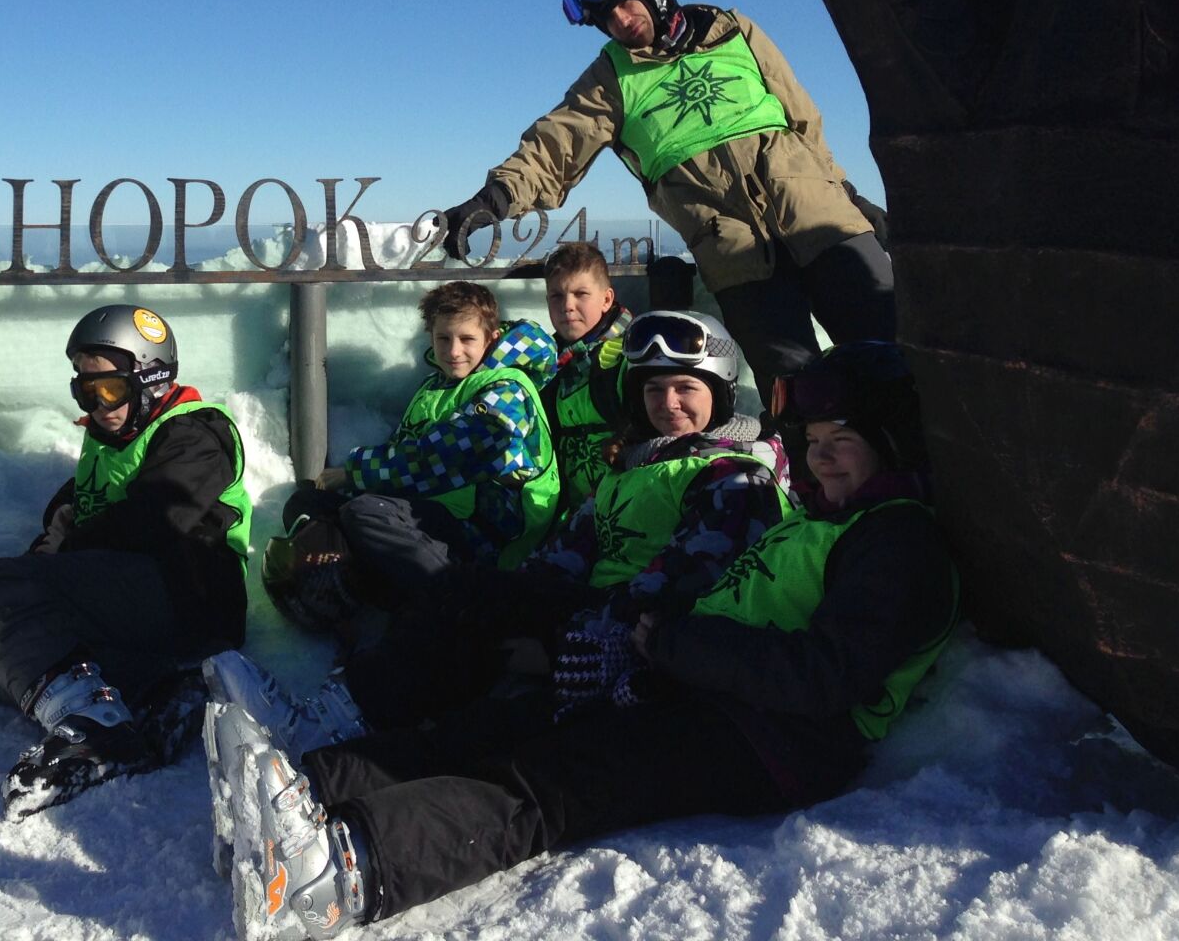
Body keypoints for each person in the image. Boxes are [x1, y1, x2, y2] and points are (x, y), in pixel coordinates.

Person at [209, 341, 957, 938]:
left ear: (891, 444)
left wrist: (665, 644)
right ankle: (310, 787)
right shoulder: (827, 521)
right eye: (815, 440)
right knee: (500, 726)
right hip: (698, 687)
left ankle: (339, 873)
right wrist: (650, 653)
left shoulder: (898, 541)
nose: (821, 455)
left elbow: (825, 676)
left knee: (549, 782)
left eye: (842, 440)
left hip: (772, 739)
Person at [205, 309, 790, 820]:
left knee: (479, 698)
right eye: (653, 390)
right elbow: (567, 552)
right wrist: (507, 606)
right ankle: (325, 740)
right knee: (463, 615)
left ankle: (321, 763)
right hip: (587, 614)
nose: (668, 404)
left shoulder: (733, 478)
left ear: (721, 393)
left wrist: (558, 647)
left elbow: (678, 585)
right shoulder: (636, 466)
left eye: (686, 388)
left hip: (626, 638)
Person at [442, 0, 894, 396]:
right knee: (793, 392)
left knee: (894, 358)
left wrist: (847, 195)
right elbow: (553, 148)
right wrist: (492, 200)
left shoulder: (733, 31)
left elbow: (803, 122)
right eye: (606, 18)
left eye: (624, 3)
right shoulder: (610, 79)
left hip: (822, 216)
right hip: (734, 252)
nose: (620, 21)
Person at [0, 304, 253, 820]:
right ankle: (159, 694)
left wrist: (43, 575)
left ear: (151, 379)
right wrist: (46, 563)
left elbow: (155, 519)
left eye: (110, 390)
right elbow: (74, 511)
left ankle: (98, 729)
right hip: (130, 597)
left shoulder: (196, 434)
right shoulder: (109, 439)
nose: (98, 406)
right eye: (85, 392)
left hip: (190, 592)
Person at [269, 281, 559, 627]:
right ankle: (362, 596)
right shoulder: (437, 388)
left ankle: (459, 603)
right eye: (443, 338)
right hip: (433, 510)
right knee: (307, 503)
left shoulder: (505, 392)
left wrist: (357, 473)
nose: (454, 351)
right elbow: (405, 450)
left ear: (491, 339)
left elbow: (443, 458)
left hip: (481, 532)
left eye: (467, 339)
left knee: (365, 513)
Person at [538, 241, 630, 514]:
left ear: (606, 299)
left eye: (581, 294)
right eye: (556, 296)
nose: (567, 306)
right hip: (568, 508)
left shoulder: (629, 355)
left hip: (622, 502)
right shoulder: (547, 361)